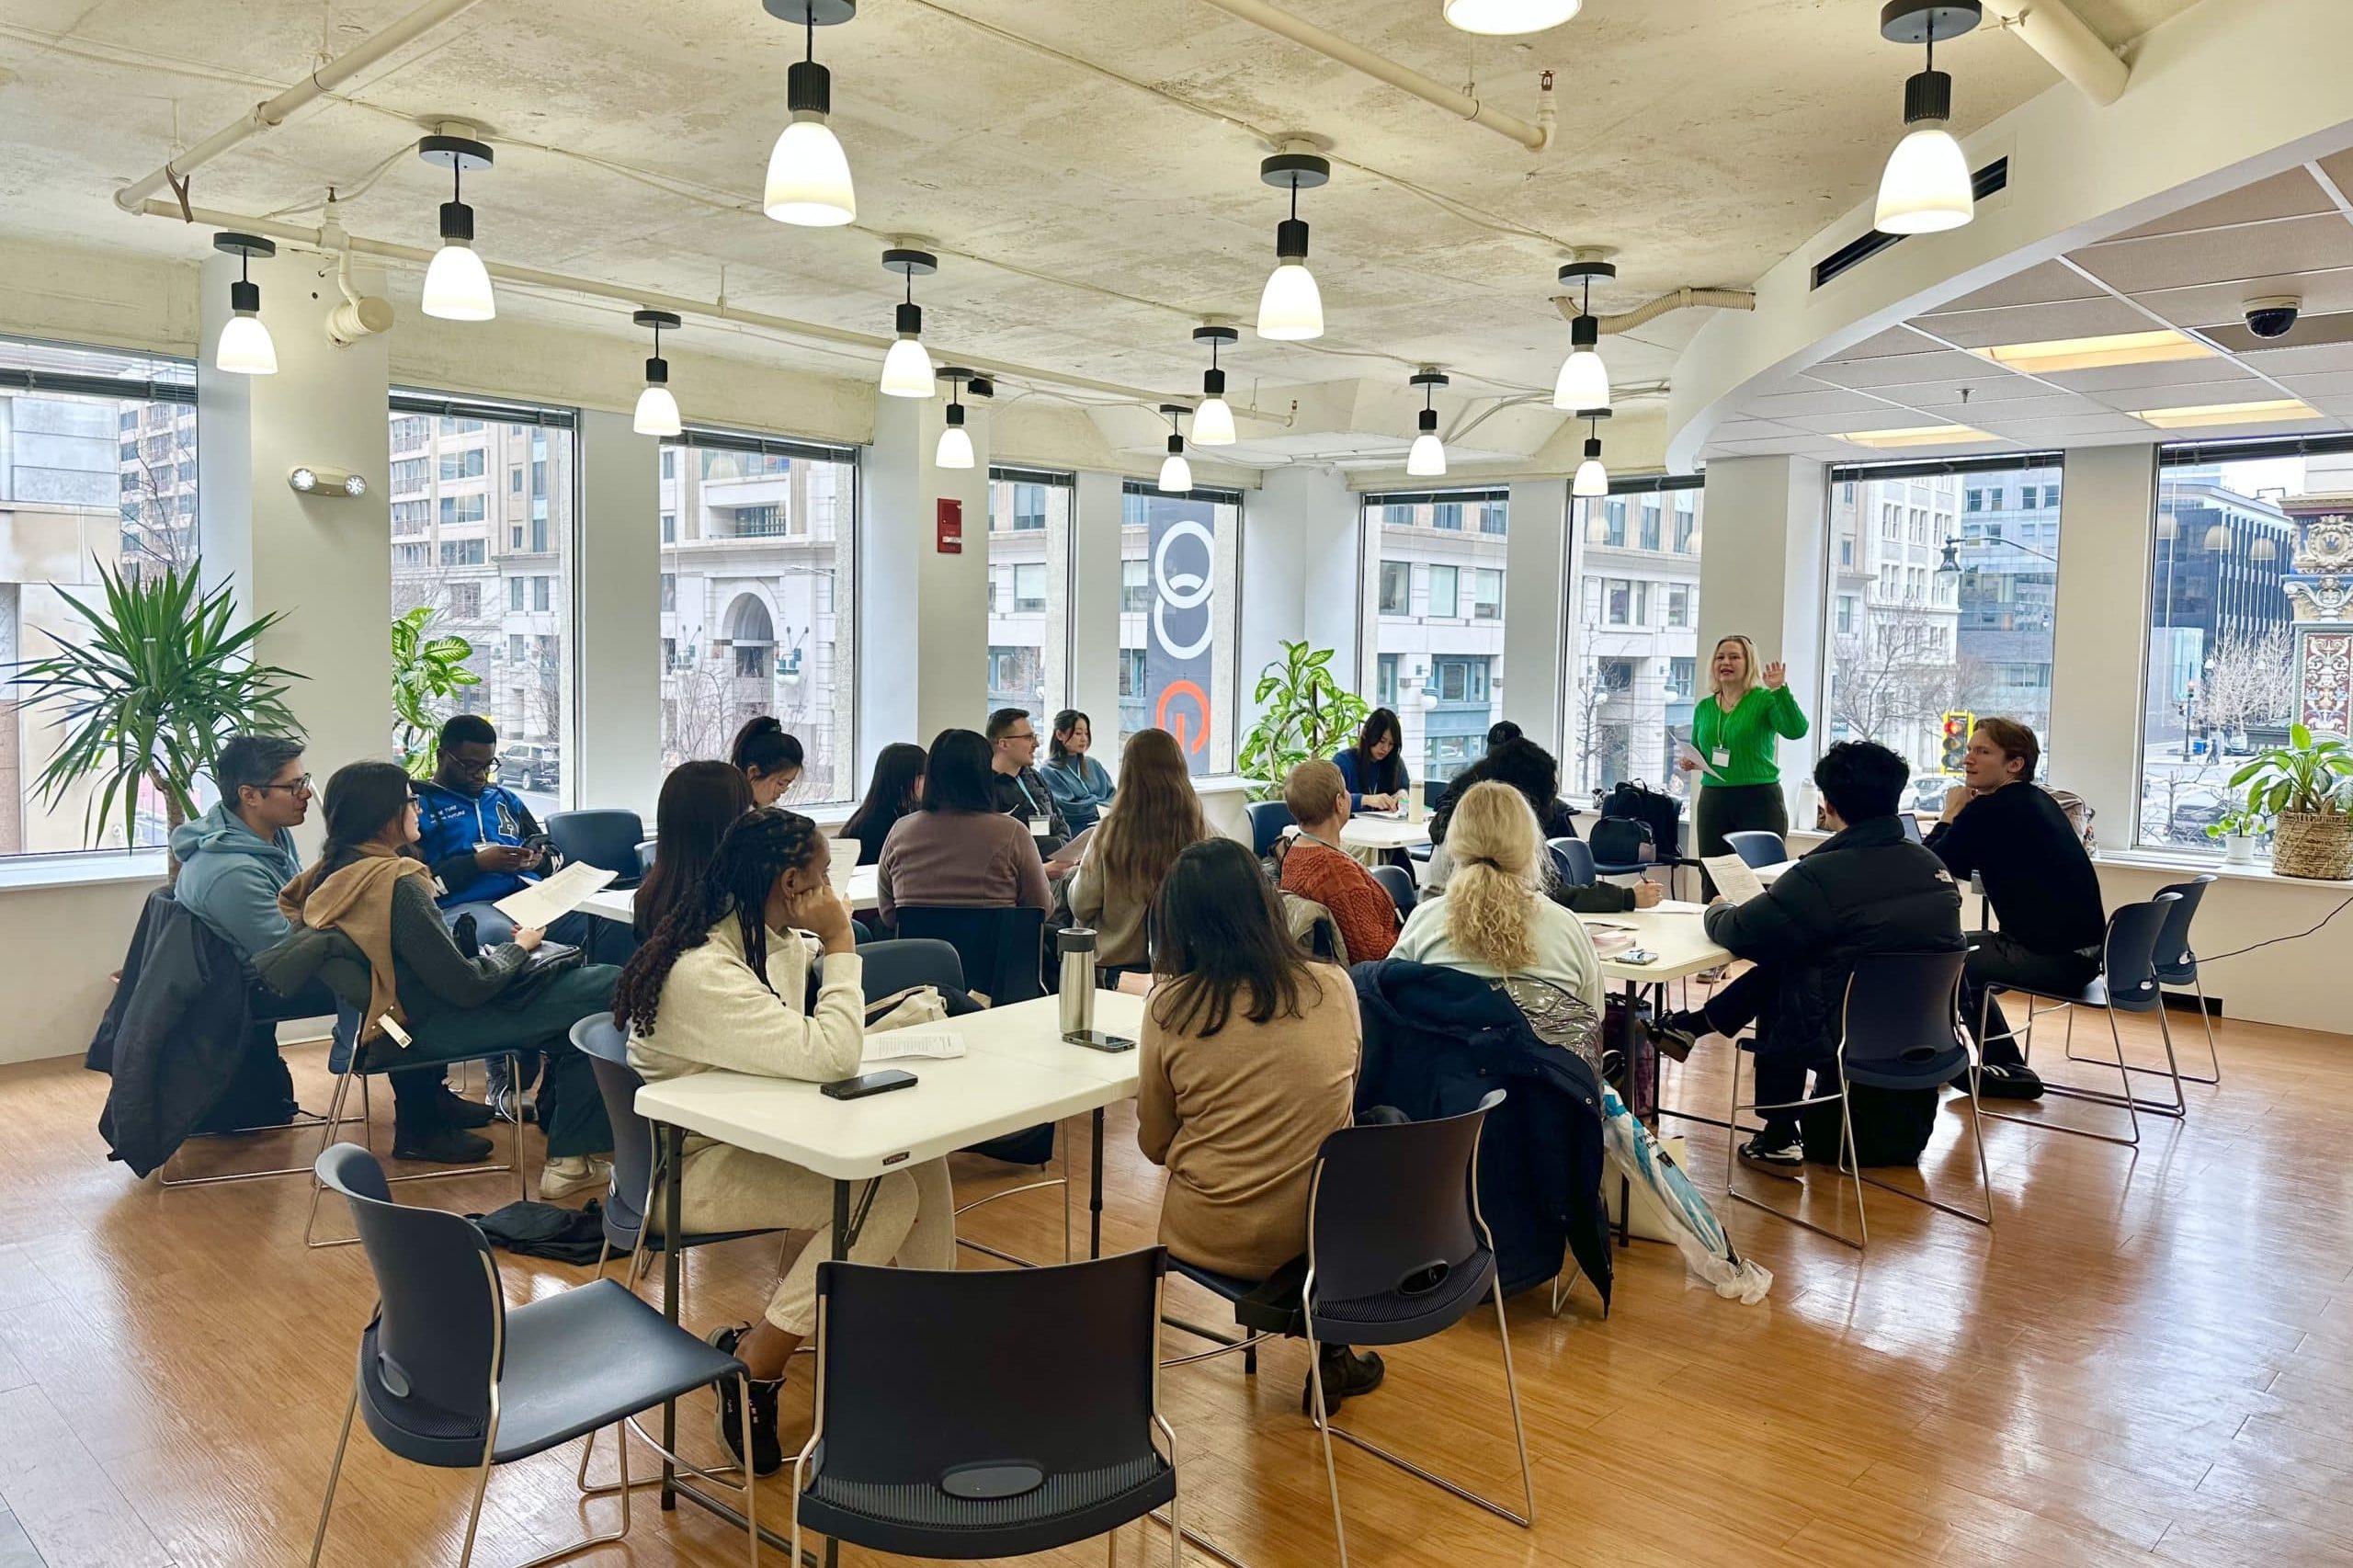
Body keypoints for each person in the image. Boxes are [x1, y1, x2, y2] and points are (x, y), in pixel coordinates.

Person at [617, 809, 956, 1476]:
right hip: (685, 1172)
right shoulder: (703, 971)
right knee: (887, 1196)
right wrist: (840, 940)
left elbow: (798, 1041)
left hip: (743, 1135)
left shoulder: (751, 938)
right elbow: (830, 1055)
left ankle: (931, 1343)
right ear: (792, 883)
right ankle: (758, 1362)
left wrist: (808, 943)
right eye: (825, 877)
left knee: (920, 1153)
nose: (835, 892)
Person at [279, 762, 615, 1186]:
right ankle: (573, 1159)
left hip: (394, 1020)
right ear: (383, 817)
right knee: (606, 988)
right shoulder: (397, 883)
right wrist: (518, 948)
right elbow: (468, 987)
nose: (418, 809)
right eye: (411, 802)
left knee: (583, 1012)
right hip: (430, 1025)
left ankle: (571, 1159)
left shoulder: (330, 874)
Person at [1136, 836, 1381, 1414]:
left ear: (1177, 924)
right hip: (1320, 1237)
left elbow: (1152, 1144)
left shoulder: (1170, 1009)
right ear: (1267, 904)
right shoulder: (1334, 987)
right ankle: (1333, 1352)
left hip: (1211, 1235)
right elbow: (1342, 1101)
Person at [1653, 741, 1964, 1168]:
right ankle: (1692, 1027)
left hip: (1844, 1032)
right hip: (1923, 1029)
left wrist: (1718, 909)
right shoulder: (1931, 866)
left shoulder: (1823, 874)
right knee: (1807, 959)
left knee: (1791, 972)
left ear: (1829, 805)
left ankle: (1778, 1135)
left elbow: (1744, 933)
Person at [415, 714, 594, 1118]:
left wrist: (537, 859)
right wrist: (477, 865)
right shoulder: (419, 805)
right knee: (503, 939)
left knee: (601, 928)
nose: (480, 774)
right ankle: (507, 1079)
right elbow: (418, 883)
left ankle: (584, 1062)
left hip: (528, 898)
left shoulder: (505, 799)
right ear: (442, 756)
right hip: (465, 908)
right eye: (469, 765)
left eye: (487, 765)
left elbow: (553, 854)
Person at [172, 733, 351, 1131]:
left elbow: (297, 907)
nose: (306, 794)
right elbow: (285, 957)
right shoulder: (230, 871)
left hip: (269, 965)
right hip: (255, 984)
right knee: (391, 974)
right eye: (293, 786)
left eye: (306, 781)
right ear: (250, 795)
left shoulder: (267, 835)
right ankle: (414, 1112)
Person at [1927, 717, 2104, 1097]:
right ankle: (1985, 1059)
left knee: (1940, 959)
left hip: (2053, 959)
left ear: (2015, 764)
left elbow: (1929, 867)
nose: (1968, 759)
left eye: (1983, 752)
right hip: (2084, 955)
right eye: (1969, 749)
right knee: (1955, 951)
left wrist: (1949, 814)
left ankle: (1962, 1061)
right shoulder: (2038, 800)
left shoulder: (1989, 809)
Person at [1393, 781, 1604, 1011]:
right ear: (1530, 847)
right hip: (1542, 1036)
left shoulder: (1424, 923)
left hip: (1440, 1035)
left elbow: (1387, 1000)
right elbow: (1593, 1016)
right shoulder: (1568, 930)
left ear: (1454, 845)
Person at [1430, 740, 1661, 915]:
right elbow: (1555, 895)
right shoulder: (1499, 830)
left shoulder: (1464, 817)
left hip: (1450, 924)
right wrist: (1626, 897)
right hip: (1465, 922)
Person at [877, 728, 1053, 926]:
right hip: (995, 946)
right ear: (984, 775)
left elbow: (889, 916)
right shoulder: (1012, 833)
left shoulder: (900, 832)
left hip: (919, 946)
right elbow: (1041, 909)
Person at [1069, 728, 1203, 970]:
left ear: (1128, 773)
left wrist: (1079, 875)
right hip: (1179, 965)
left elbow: (1082, 904)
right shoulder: (1201, 829)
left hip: (1115, 963)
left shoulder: (1109, 832)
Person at [1683, 633, 1810, 879]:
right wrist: (1692, 761)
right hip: (1714, 800)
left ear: (1749, 662)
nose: (1725, 662)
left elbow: (1796, 730)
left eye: (1734, 657)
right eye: (1720, 657)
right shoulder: (1704, 707)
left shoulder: (1765, 699)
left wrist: (1780, 691)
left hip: (1758, 799)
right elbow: (1700, 750)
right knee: (1714, 876)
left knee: (1757, 877)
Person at [1275, 758, 1398, 963]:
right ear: (1339, 802)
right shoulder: (1337, 874)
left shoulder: (1294, 852)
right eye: (1346, 790)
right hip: (1381, 972)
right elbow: (1374, 954)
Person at [635, 760, 754, 942]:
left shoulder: (651, 896)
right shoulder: (730, 904)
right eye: (745, 810)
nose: (752, 817)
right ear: (726, 824)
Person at [984, 707, 1074, 862]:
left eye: (1035, 736)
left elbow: (1059, 819)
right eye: (1028, 738)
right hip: (1024, 870)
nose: (1036, 744)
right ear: (1004, 744)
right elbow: (999, 847)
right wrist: (1045, 866)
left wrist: (1062, 849)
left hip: (1058, 862)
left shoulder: (1034, 777)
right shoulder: (985, 787)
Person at [839, 742, 926, 868]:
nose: (928, 782)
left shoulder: (899, 811)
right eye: (923, 776)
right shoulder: (875, 825)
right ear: (904, 779)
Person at [1040, 709, 1116, 835]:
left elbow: (1114, 797)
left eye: (1086, 733)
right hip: (1074, 834)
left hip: (1106, 830)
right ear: (1059, 735)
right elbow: (1068, 808)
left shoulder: (1093, 764)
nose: (1084, 739)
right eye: (1078, 733)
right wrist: (1099, 804)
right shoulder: (1049, 770)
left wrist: (1089, 803)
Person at [1333, 707, 1409, 812]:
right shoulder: (1343, 761)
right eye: (1382, 741)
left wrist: (1403, 793)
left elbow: (1407, 789)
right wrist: (1365, 800)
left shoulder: (1396, 763)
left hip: (1386, 823)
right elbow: (1332, 801)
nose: (1386, 748)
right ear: (1365, 734)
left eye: (1391, 744)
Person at [730, 715, 804, 808]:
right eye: (781, 783)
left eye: (788, 784)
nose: (784, 790)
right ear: (753, 772)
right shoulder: (729, 810)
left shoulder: (767, 807)